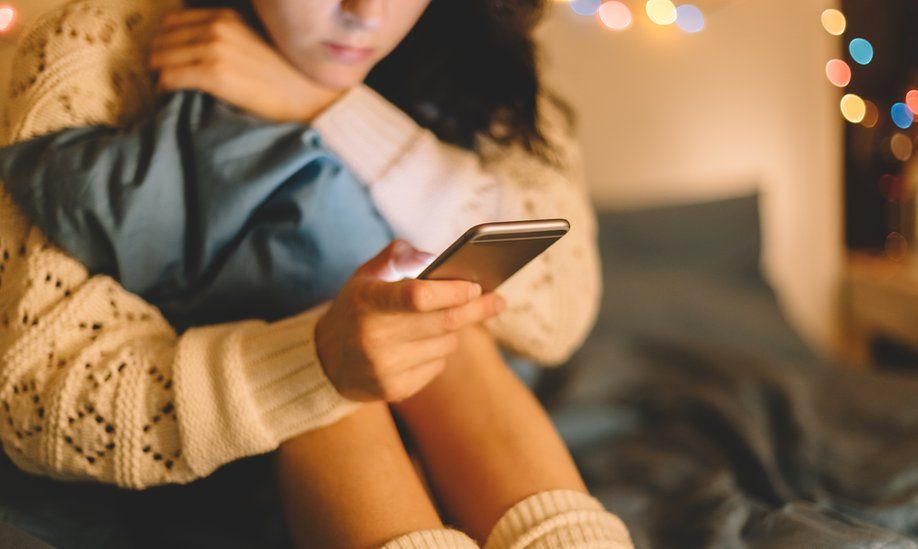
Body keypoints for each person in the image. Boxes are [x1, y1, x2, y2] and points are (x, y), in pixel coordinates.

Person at [0, 0, 633, 547]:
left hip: (456, 408)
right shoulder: (96, 46)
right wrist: (316, 358)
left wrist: (327, 104)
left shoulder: (482, 47)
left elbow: (560, 311)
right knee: (347, 349)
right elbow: (36, 397)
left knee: (438, 320)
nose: (364, 13)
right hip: (233, 443)